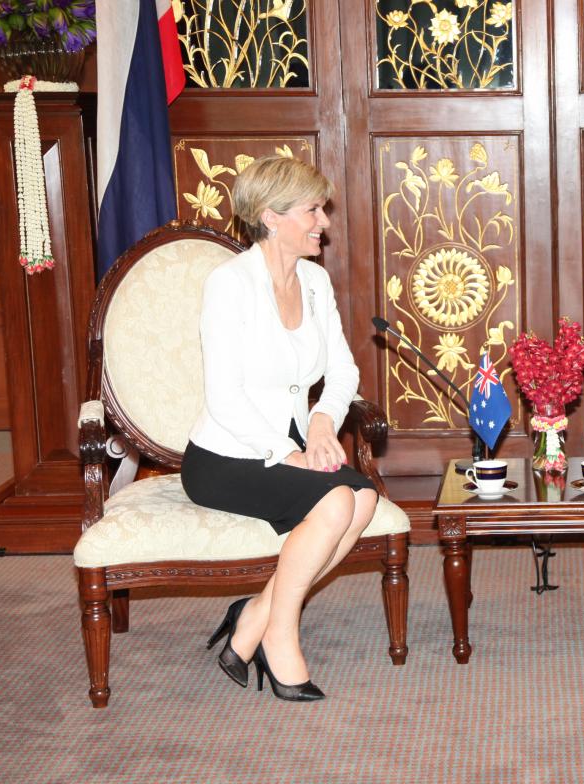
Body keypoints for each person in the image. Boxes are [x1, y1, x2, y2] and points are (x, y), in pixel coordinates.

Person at [181, 155, 379, 702]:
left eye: (323, 209)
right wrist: (283, 452)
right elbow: (224, 397)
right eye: (313, 211)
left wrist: (320, 423)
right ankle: (280, 636)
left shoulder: (314, 281)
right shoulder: (229, 285)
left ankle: (256, 616)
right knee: (340, 501)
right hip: (225, 455)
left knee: (360, 499)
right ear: (271, 217)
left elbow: (342, 371)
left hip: (288, 442)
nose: (325, 223)